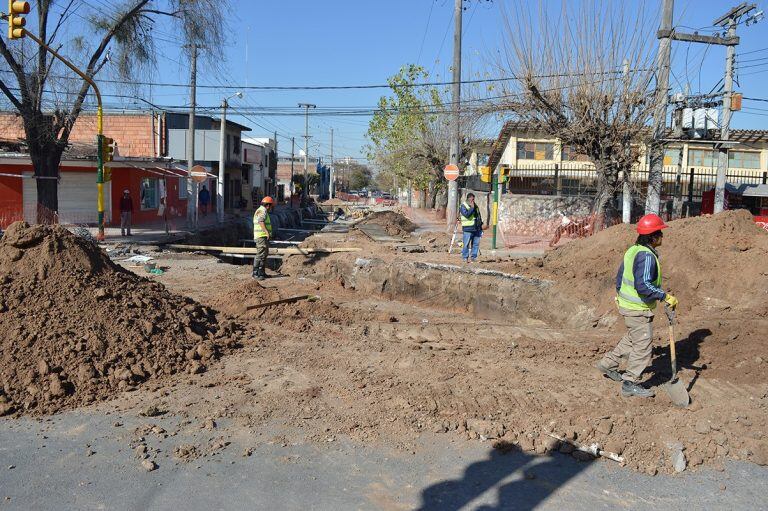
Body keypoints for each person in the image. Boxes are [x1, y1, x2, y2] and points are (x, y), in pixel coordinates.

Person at [596, 213, 679, 398]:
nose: (662, 237)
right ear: (653, 237)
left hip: (627, 305)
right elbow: (643, 285)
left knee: (633, 339)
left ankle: (607, 363)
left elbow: (620, 278)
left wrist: (621, 297)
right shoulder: (647, 256)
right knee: (643, 345)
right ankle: (630, 382)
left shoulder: (632, 250)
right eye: (660, 233)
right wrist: (664, 296)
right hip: (638, 308)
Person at [252, 196, 274, 280]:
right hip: (261, 236)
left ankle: (261, 272)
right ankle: (256, 273)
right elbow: (261, 221)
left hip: (262, 236)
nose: (271, 208)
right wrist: (266, 232)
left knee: (264, 254)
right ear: (267, 205)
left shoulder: (262, 210)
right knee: (260, 254)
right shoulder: (262, 211)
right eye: (271, 206)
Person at [459, 193, 483, 263]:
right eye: (472, 199)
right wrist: (472, 208)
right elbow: (467, 215)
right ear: (468, 198)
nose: (473, 200)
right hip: (468, 228)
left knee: (476, 244)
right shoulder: (463, 206)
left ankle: (474, 257)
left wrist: (480, 225)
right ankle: (465, 257)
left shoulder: (475, 206)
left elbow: (478, 215)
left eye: (473, 199)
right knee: (466, 244)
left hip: (476, 228)